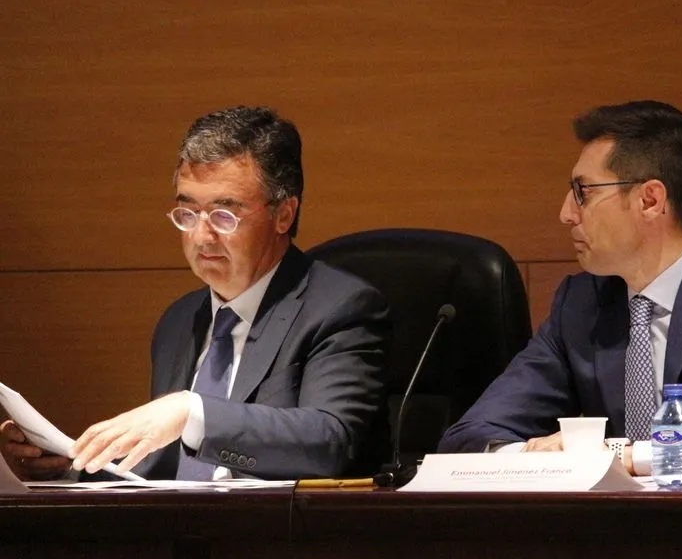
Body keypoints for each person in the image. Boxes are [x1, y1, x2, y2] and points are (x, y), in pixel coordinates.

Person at [0, 106, 391, 480]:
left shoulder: (339, 308)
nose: (202, 236)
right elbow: (165, 469)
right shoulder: (179, 321)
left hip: (283, 526)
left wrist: (193, 411)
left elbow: (332, 440)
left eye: (225, 214)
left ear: (283, 214)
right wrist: (68, 464)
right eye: (188, 213)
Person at [438, 100, 682, 474]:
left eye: (583, 192)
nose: (566, 213)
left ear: (650, 200)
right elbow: (469, 436)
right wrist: (532, 457)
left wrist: (630, 455)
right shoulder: (580, 304)